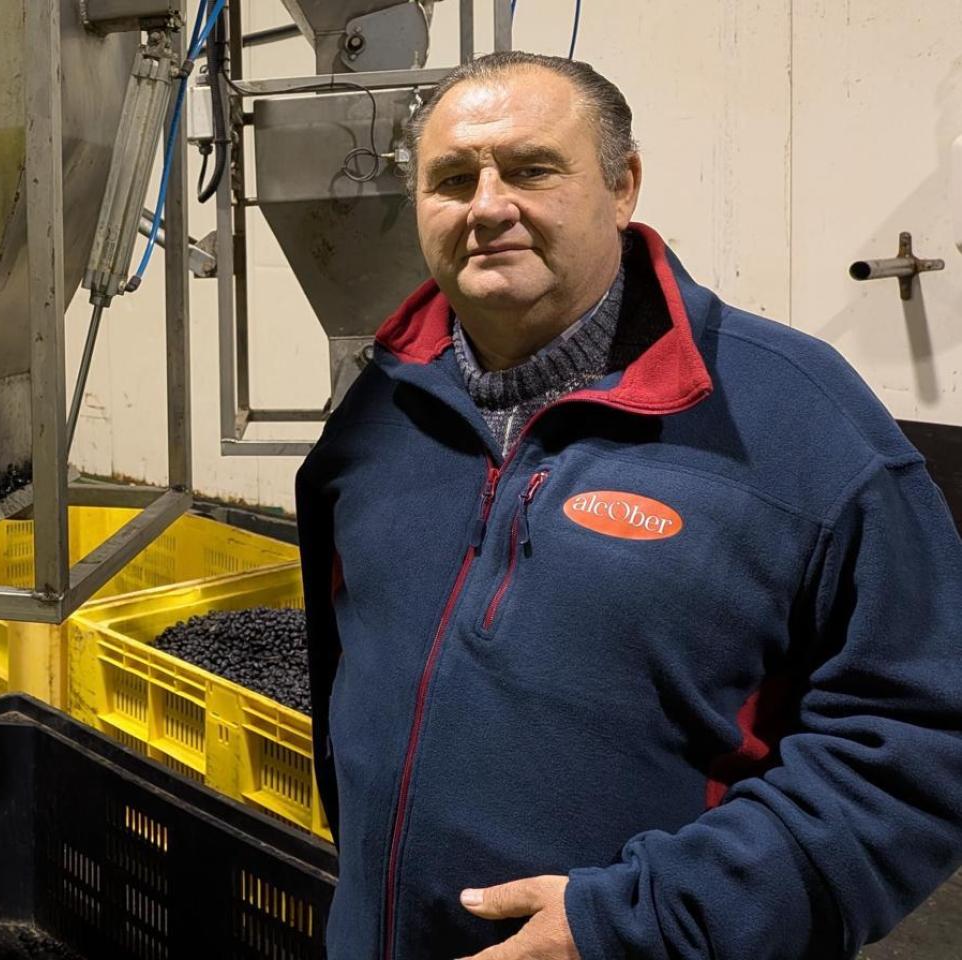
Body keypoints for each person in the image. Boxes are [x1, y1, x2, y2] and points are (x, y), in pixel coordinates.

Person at [295, 50, 962, 960]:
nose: (488, 206)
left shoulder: (797, 421)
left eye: (531, 169)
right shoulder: (375, 418)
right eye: (453, 178)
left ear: (622, 187)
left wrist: (648, 922)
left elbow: (919, 742)